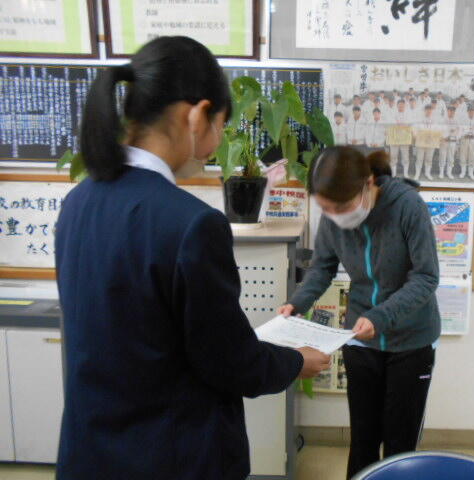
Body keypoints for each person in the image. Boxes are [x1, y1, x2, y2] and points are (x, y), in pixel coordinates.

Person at [54, 36, 330, 480]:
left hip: (92, 454)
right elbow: (229, 362)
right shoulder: (191, 224)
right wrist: (296, 362)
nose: (215, 146)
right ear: (198, 115)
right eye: (220, 125)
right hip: (173, 458)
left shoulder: (78, 202)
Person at [278, 146, 440, 479]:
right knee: (363, 438)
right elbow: (322, 267)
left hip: (411, 338)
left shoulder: (408, 206)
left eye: (341, 207)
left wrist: (381, 316)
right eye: (326, 209)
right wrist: (297, 302)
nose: (335, 216)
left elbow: (426, 277)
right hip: (360, 338)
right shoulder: (332, 216)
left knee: (400, 444)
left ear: (368, 183)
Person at [412, 104, 441, 181]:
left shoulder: (435, 120)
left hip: (431, 142)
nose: (428, 111)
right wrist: (416, 135)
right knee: (419, 158)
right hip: (421, 141)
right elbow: (414, 128)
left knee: (429, 158)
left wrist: (433, 134)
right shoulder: (419, 119)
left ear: (432, 111)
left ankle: (427, 173)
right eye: (427, 109)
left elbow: (438, 130)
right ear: (424, 110)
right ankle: (417, 173)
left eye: (430, 110)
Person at [458, 107, 474, 179]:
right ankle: (463, 172)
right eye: (470, 111)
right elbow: (460, 130)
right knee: (463, 156)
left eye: (473, 111)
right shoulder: (463, 120)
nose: (471, 113)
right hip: (465, 139)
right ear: (467, 112)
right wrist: (464, 134)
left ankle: (470, 173)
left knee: (473, 156)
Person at [439, 106, 460, 179]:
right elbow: (439, 130)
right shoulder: (442, 120)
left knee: (451, 157)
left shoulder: (457, 120)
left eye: (453, 111)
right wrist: (444, 137)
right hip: (444, 140)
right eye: (450, 111)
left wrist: (456, 138)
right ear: (447, 111)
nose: (451, 112)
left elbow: (459, 130)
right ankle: (441, 172)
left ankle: (449, 173)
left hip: (452, 141)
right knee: (442, 156)